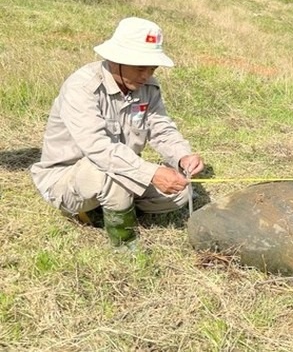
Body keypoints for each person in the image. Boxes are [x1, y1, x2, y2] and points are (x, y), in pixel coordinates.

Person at [31, 17, 205, 250]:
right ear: (116, 60)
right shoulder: (82, 88)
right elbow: (100, 150)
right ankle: (124, 244)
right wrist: (151, 173)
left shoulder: (148, 88)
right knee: (109, 173)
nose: (146, 75)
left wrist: (183, 156)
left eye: (152, 68)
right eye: (140, 67)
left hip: (122, 168)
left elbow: (161, 129)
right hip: (69, 177)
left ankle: (110, 207)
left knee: (181, 193)